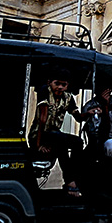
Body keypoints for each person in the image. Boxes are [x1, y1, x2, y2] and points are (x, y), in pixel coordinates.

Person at [28, 67, 91, 197]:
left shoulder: (68, 98)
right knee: (60, 142)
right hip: (40, 134)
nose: (60, 87)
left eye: (64, 85)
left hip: (55, 135)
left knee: (78, 142)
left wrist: (89, 113)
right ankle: (70, 182)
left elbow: (78, 117)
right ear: (50, 82)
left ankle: (74, 178)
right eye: (57, 83)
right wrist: (38, 145)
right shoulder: (45, 91)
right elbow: (42, 119)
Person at [81, 86, 112, 159]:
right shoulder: (90, 105)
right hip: (93, 139)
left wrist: (106, 106)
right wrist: (89, 113)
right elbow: (81, 117)